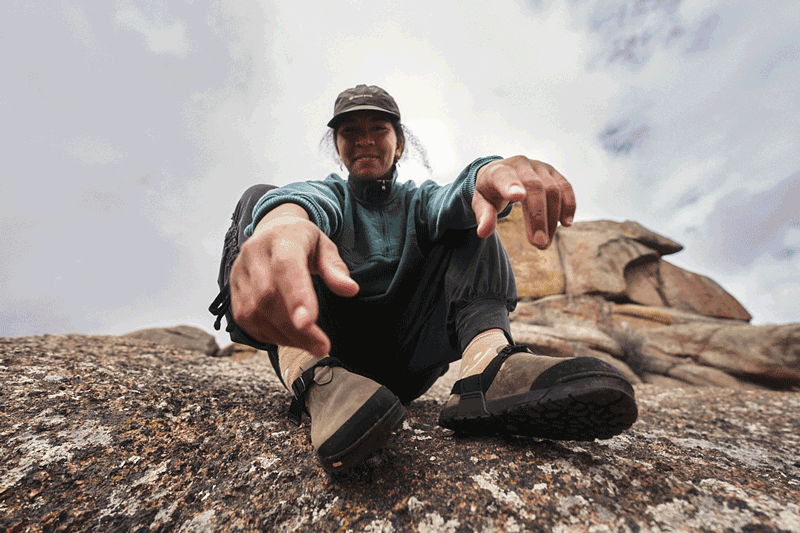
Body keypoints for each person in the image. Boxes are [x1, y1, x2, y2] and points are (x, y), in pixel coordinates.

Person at [210, 84, 638, 474]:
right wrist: (280, 226)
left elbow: (454, 197)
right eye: (349, 130)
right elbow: (302, 201)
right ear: (337, 146)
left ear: (399, 144)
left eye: (378, 127)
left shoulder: (420, 199)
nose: (363, 139)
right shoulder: (330, 195)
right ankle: (317, 382)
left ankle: (486, 369)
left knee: (472, 219)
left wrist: (487, 175)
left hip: (409, 357)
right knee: (258, 200)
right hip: (331, 350)